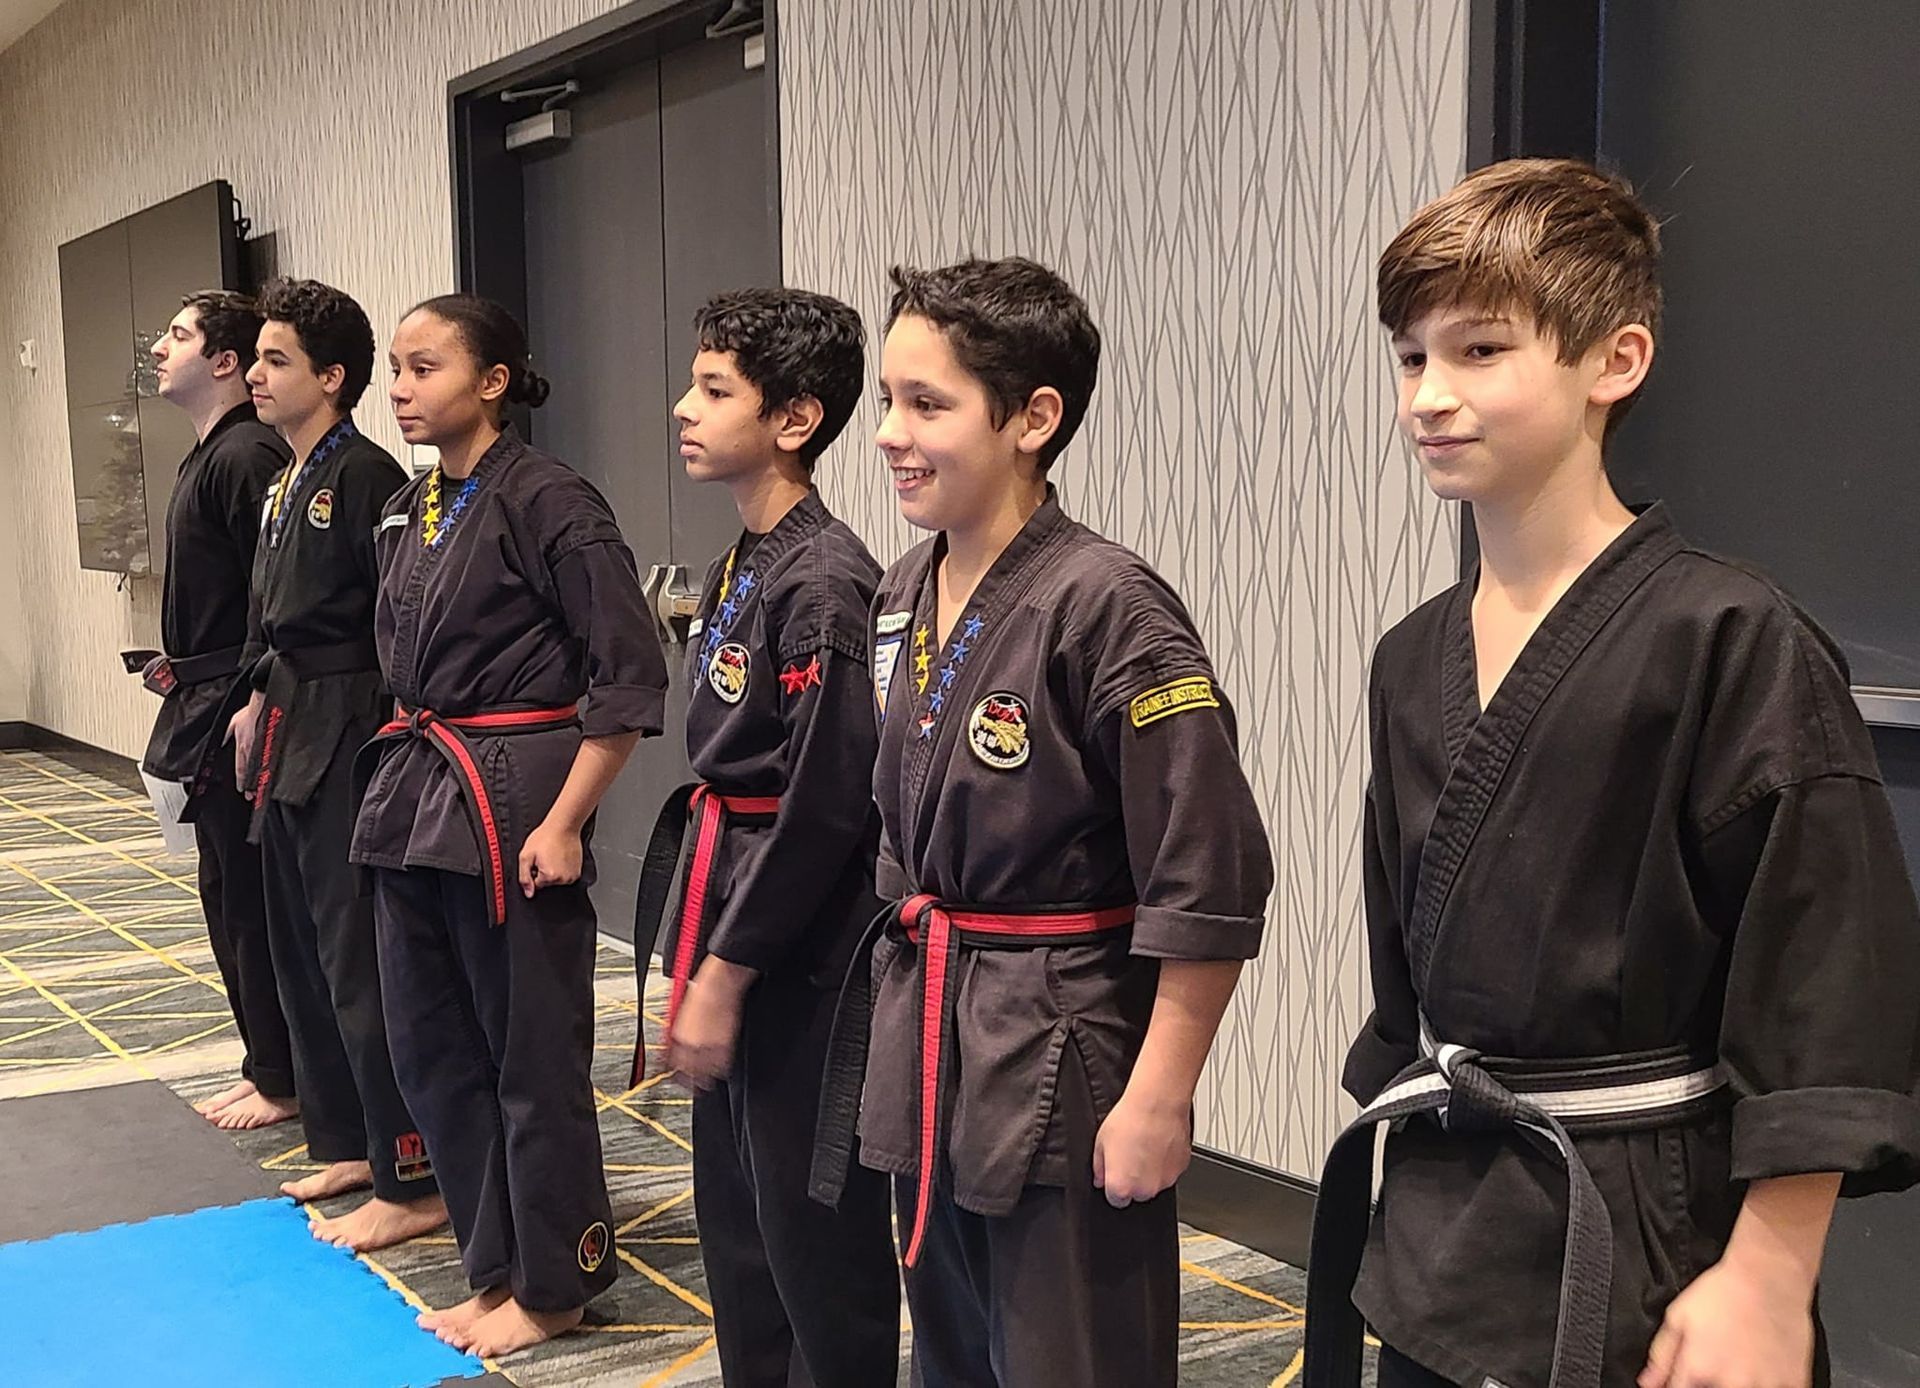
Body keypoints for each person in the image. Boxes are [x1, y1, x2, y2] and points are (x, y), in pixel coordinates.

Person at [1303, 158, 1920, 1388]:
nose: (1429, 394)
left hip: (1647, 1237)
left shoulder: (1731, 638)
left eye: (1480, 350)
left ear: (1614, 361)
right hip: (1441, 1219)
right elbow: (1407, 959)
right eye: (1411, 356)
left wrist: (1766, 1274)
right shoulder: (1408, 657)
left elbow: (1827, 984)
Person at [810, 256, 1274, 1386]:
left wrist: (1160, 1093)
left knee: (1068, 1356)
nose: (889, 432)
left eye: (928, 403)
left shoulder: (1109, 606)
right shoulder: (898, 592)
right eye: (887, 399)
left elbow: (1208, 874)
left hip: (1063, 1042)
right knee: (956, 1345)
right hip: (936, 1018)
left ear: (1034, 417)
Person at [353, 293, 669, 1358]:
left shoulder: (551, 500)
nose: (401, 385)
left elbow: (628, 675)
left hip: (514, 802)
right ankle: (496, 1265)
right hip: (416, 792)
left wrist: (572, 817)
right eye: (395, 367)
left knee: (529, 1056)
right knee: (433, 1047)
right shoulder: (409, 504)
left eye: (425, 366)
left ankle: (559, 1278)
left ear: (492, 381)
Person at [644, 288, 899, 1385]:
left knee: (811, 1219)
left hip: (808, 937)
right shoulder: (742, 558)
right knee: (735, 1204)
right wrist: (699, 952)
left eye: (713, 390)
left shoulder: (828, 577)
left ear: (795, 418)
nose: (681, 410)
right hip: (733, 890)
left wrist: (731, 967)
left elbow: (829, 802)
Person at [224, 277, 444, 1251]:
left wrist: (397, 738)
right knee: (301, 947)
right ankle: (347, 1135)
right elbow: (271, 620)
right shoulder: (283, 478)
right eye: (259, 358)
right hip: (289, 719)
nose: (259, 375)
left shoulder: (364, 477)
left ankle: (411, 1169)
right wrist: (249, 700)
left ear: (331, 375)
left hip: (353, 722)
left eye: (277, 360)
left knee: (359, 957)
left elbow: (394, 618)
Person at [143, 290, 298, 1133]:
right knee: (222, 891)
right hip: (204, 697)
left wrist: (254, 695)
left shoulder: (247, 457)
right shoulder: (207, 456)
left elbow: (274, 596)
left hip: (239, 705)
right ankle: (263, 1062)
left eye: (178, 334)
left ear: (225, 361)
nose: (161, 348)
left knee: (250, 895)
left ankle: (281, 1072)